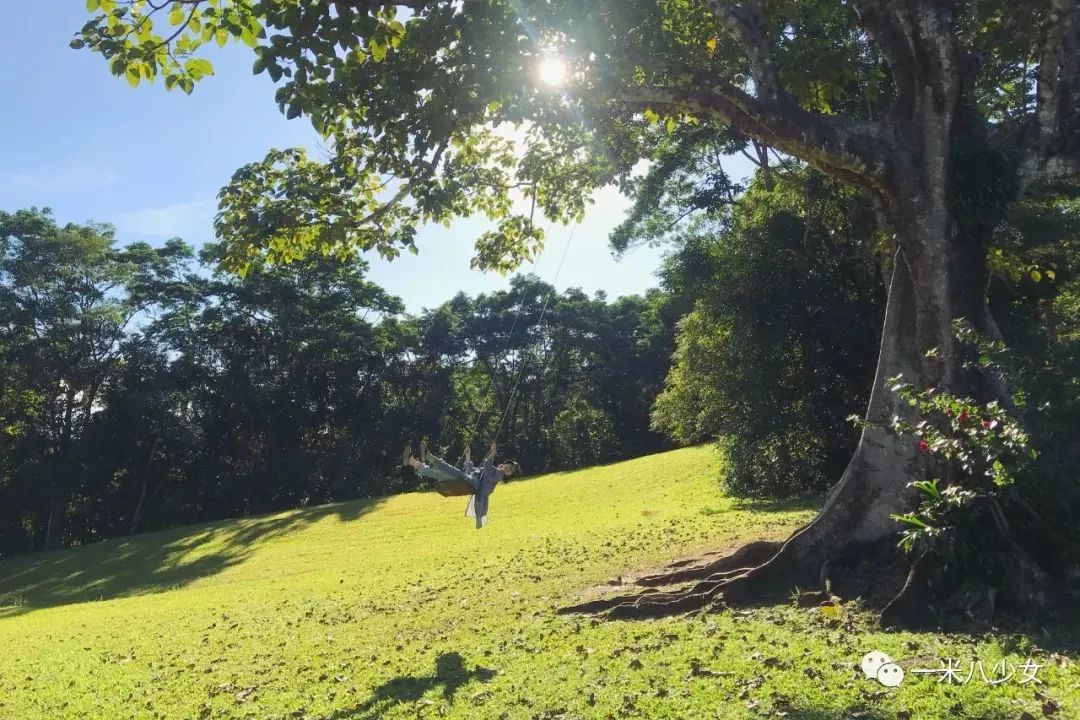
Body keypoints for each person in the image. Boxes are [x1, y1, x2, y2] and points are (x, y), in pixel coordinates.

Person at [403, 440, 520, 529]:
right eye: (508, 466)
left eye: (510, 470)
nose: (508, 468)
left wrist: (492, 453)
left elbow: (487, 470)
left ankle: (429, 457)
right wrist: (468, 455)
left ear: (508, 476)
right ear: (504, 464)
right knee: (438, 475)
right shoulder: (494, 472)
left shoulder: (498, 475)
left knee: (449, 470)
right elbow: (471, 471)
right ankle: (412, 462)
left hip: (469, 484)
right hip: (466, 483)